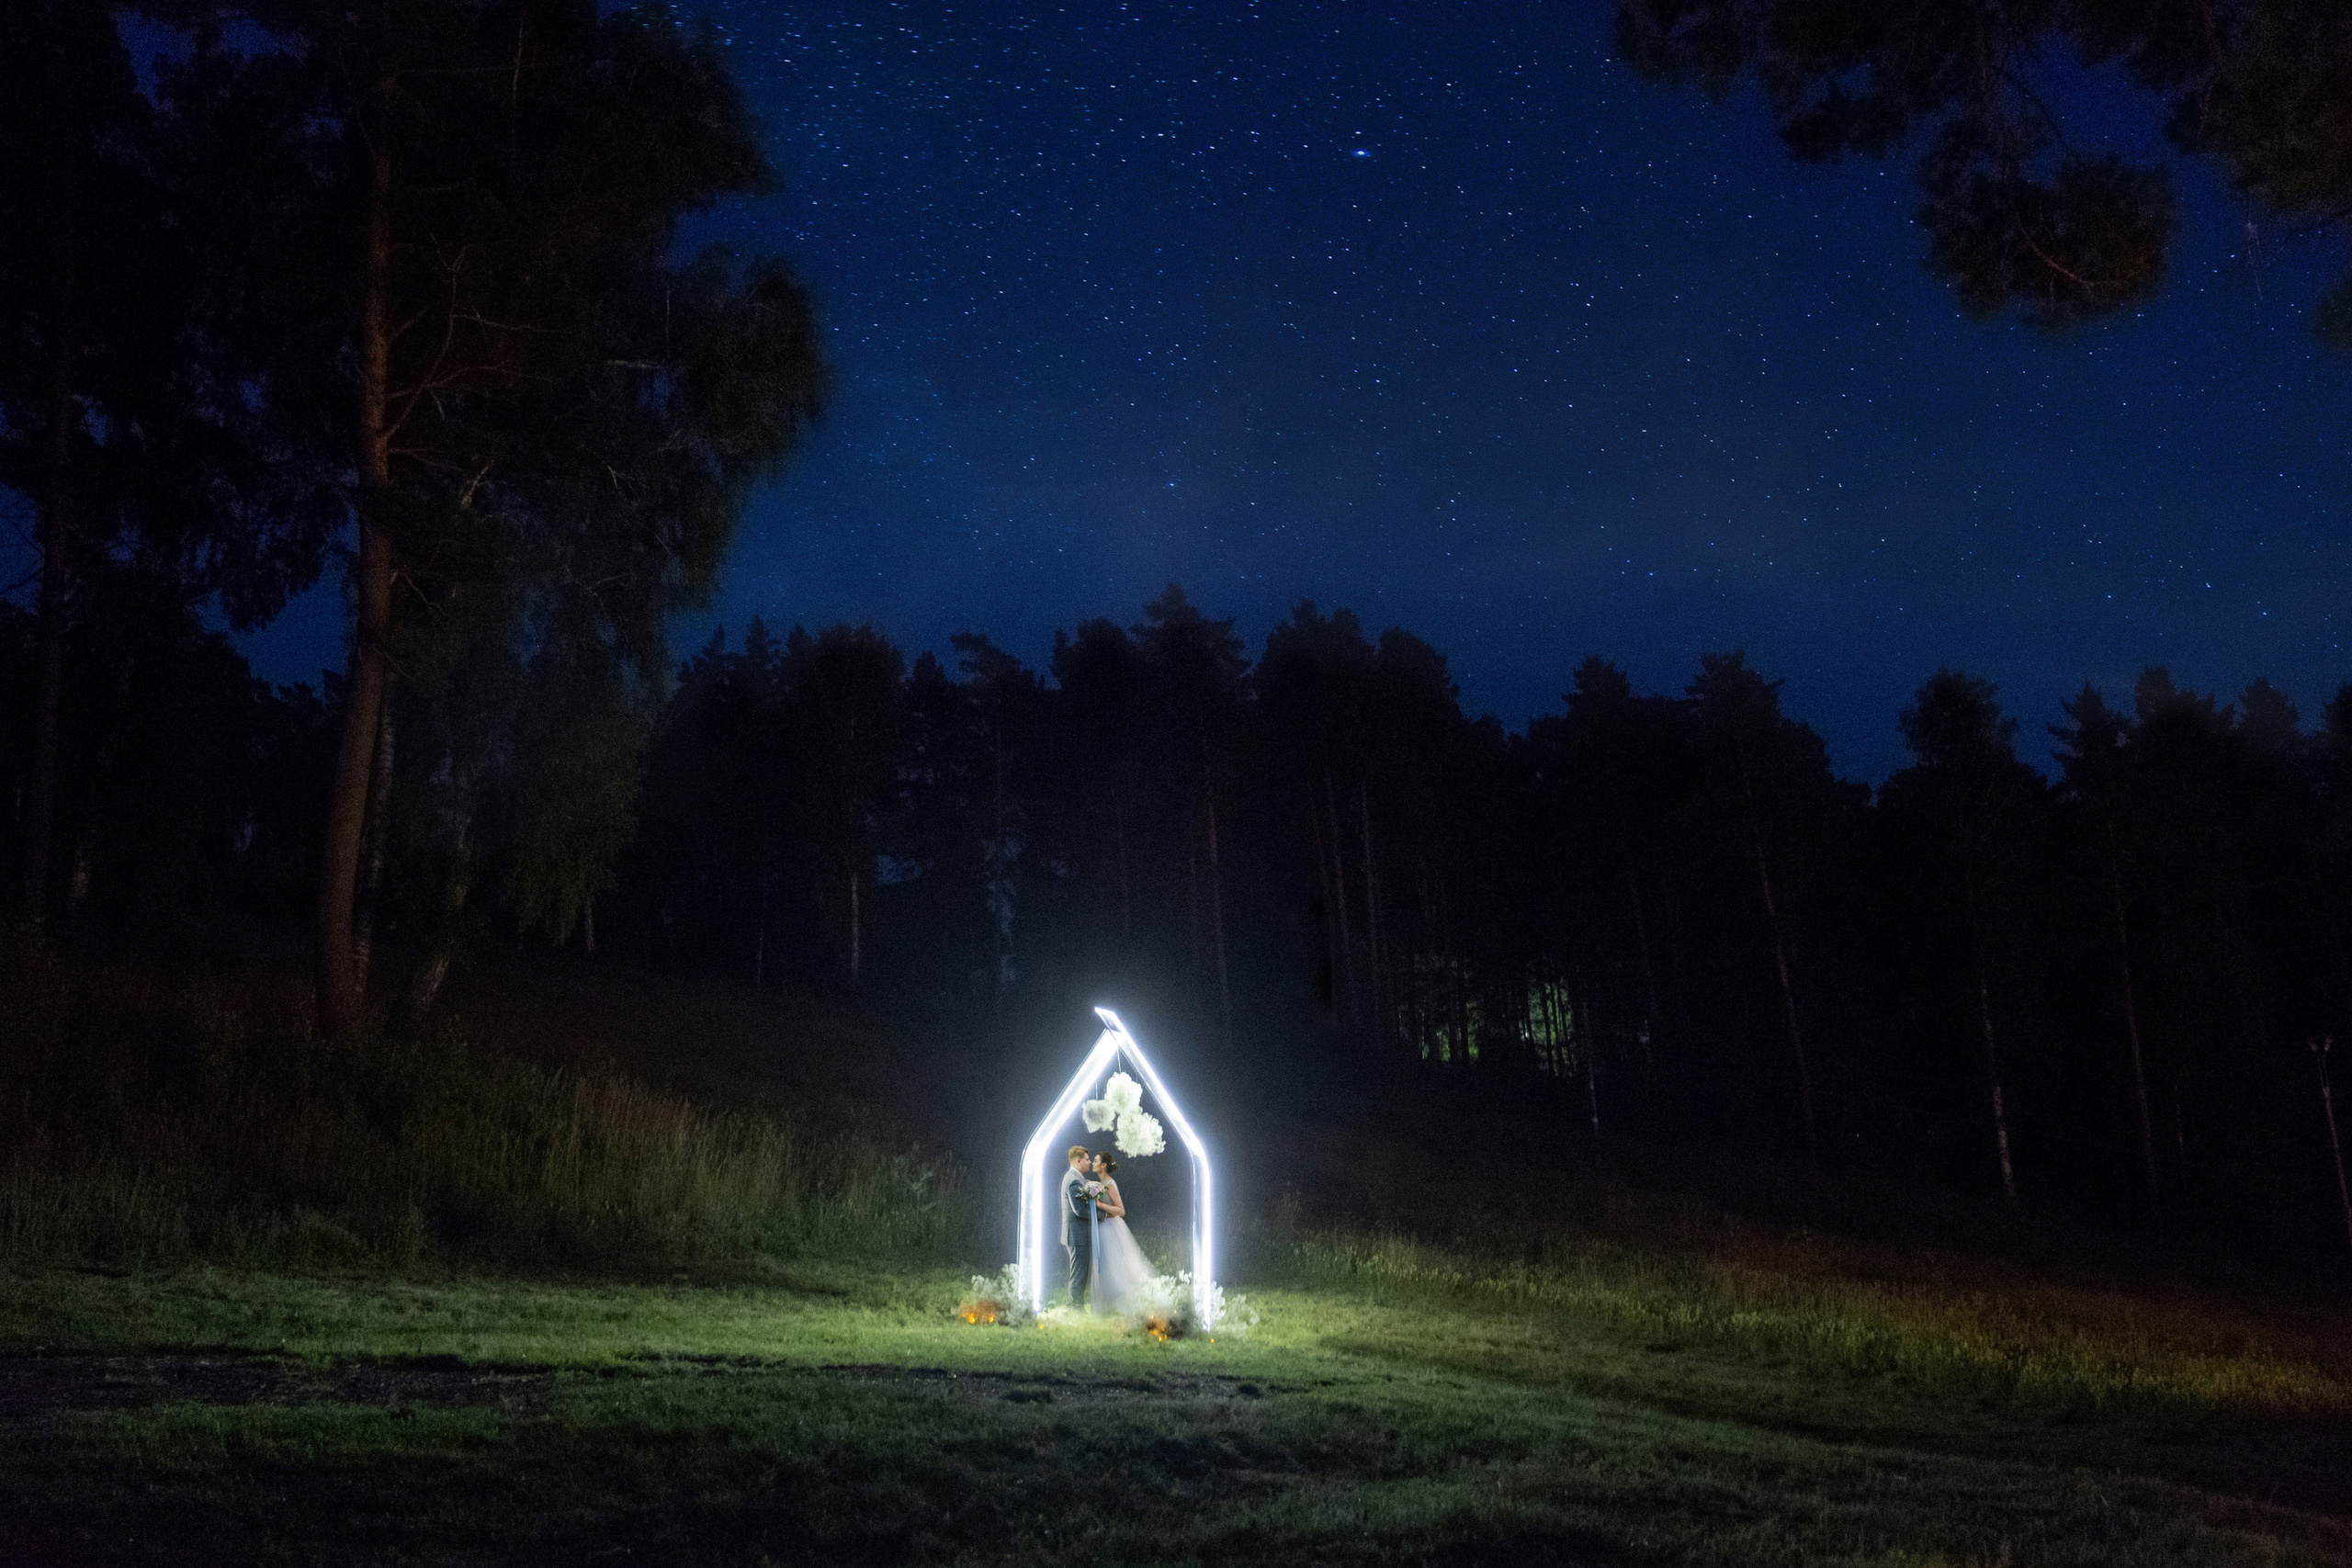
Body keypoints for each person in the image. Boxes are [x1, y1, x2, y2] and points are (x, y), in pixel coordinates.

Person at [1089, 1150, 1156, 1314]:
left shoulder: (1110, 1184)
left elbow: (1120, 1210)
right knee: (1104, 1266)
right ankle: (1106, 1305)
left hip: (1111, 1227)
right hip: (1102, 1227)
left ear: (1103, 1165)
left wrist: (1100, 1205)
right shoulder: (1098, 1184)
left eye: (1096, 1161)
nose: (1093, 1163)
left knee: (1116, 1266)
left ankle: (1122, 1301)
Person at [1060, 1145, 1097, 1311]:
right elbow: (1079, 1210)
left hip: (1078, 1235)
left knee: (1080, 1271)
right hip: (1076, 1236)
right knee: (1078, 1273)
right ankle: (1075, 1307)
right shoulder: (1073, 1180)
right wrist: (1100, 1216)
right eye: (1087, 1159)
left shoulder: (1078, 1179)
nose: (1090, 1162)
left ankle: (1076, 1305)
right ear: (1078, 1160)